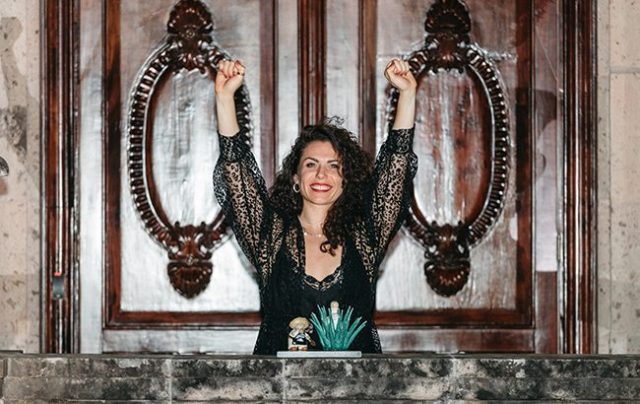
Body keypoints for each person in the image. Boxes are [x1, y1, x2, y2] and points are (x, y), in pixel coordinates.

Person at [213, 59, 417, 354]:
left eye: (334, 166)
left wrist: (407, 94)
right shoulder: (270, 236)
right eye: (311, 164)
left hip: (358, 383)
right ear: (296, 177)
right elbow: (238, 174)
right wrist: (224, 97)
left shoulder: (366, 234)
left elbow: (395, 166)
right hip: (279, 383)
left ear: (345, 178)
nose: (322, 174)